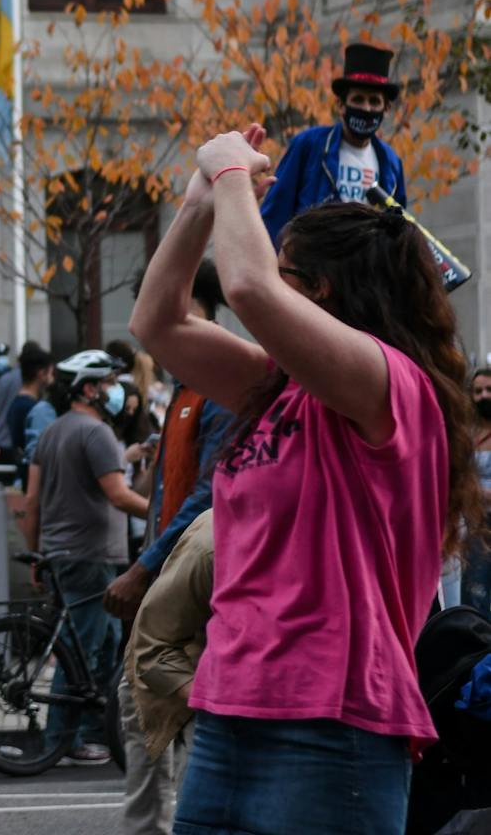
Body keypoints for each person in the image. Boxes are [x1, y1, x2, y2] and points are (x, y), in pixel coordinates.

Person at [131, 123, 479, 834]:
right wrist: (201, 202)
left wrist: (231, 174)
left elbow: (250, 287)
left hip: (333, 724)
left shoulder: (392, 385)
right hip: (229, 708)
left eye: (288, 271)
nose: (264, 291)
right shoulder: (277, 387)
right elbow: (156, 323)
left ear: (322, 290)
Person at [23, 349, 151, 766]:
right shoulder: (96, 434)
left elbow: (31, 500)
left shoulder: (53, 432)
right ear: (90, 388)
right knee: (86, 650)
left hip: (62, 552)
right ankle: (64, 740)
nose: (116, 392)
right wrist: (164, 514)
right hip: (92, 555)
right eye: (110, 384)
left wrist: (38, 555)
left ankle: (94, 732)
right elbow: (117, 494)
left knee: (103, 642)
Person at [105, 260, 233, 622]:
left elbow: (210, 495)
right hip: (175, 573)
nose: (164, 332)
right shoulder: (182, 392)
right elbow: (165, 493)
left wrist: (143, 567)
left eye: (177, 316)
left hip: (202, 579)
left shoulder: (220, 388)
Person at [121, 511, 214, 835]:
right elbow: (152, 649)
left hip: (208, 678)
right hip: (171, 673)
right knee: (154, 814)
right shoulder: (214, 540)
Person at [259, 42, 408, 245]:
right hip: (312, 266)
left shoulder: (391, 163)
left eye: (374, 101)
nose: (366, 108)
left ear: (386, 108)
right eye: (358, 99)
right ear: (340, 105)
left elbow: (398, 231)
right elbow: (275, 213)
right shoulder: (309, 146)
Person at [2, 342, 54, 472]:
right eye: (51, 373)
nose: (52, 379)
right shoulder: (35, 409)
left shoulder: (17, 403)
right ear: (42, 374)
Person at [465, 368, 491, 615]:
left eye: (489, 390)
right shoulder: (467, 434)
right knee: (475, 594)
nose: (484, 396)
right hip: (475, 526)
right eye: (478, 391)